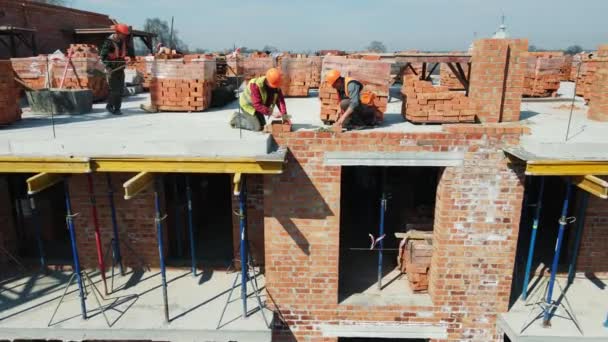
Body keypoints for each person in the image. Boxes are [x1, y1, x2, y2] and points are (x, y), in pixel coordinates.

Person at [100, 23, 133, 115]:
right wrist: (108, 67)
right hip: (112, 70)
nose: (125, 36)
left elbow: (123, 55)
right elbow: (103, 57)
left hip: (120, 68)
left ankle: (116, 108)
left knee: (120, 90)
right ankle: (112, 107)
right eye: (123, 34)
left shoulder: (122, 42)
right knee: (115, 90)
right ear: (117, 32)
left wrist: (128, 59)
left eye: (126, 35)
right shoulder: (109, 42)